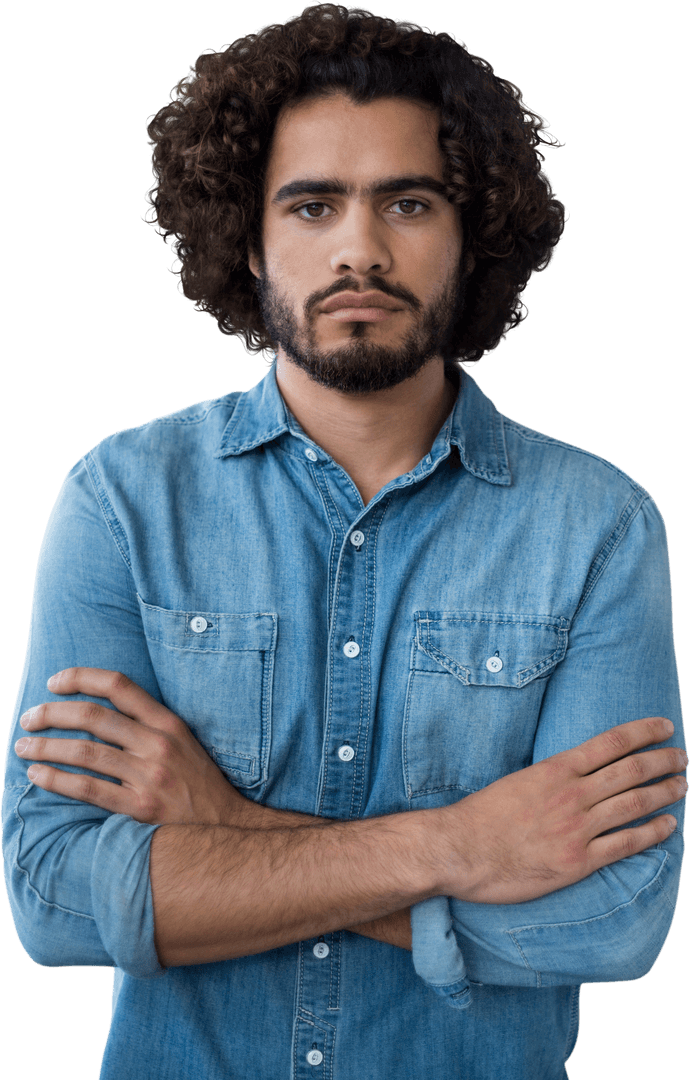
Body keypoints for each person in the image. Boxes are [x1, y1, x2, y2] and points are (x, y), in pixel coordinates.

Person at [3, 5, 686, 1078]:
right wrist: (455, 847)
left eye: (408, 203)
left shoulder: (596, 526)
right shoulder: (120, 502)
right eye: (312, 205)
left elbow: (613, 923)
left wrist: (222, 827)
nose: (359, 249)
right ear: (248, 233)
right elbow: (54, 899)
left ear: (474, 233)